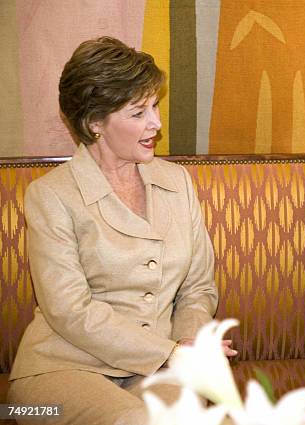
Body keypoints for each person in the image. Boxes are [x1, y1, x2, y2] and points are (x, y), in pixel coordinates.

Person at [7, 37, 235, 425]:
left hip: (159, 367)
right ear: (95, 122)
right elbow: (69, 310)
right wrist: (170, 353)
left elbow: (197, 288)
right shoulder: (50, 196)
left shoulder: (176, 182)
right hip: (59, 371)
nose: (156, 123)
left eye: (155, 106)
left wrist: (190, 347)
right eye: (138, 112)